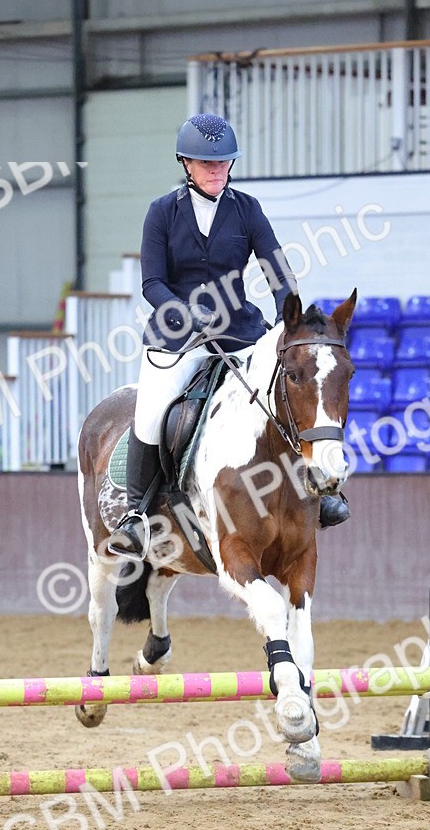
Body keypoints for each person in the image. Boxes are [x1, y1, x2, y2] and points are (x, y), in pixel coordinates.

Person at [108, 113, 350, 558]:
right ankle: (138, 514)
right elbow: (151, 284)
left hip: (238, 331)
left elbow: (276, 268)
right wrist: (183, 314)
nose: (216, 171)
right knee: (152, 410)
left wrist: (289, 317)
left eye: (222, 164)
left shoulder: (246, 209)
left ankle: (322, 489)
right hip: (178, 337)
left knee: (289, 392)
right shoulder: (162, 212)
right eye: (206, 164)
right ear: (185, 163)